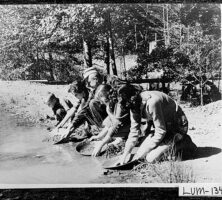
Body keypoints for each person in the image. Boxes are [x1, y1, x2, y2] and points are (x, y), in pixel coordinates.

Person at [54, 67, 107, 143]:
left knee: (91, 104)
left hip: (111, 119)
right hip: (105, 119)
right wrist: (68, 127)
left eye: (88, 81)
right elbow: (80, 111)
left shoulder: (104, 86)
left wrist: (70, 127)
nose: (87, 84)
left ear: (96, 79)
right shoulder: (91, 91)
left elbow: (82, 110)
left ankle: (104, 132)